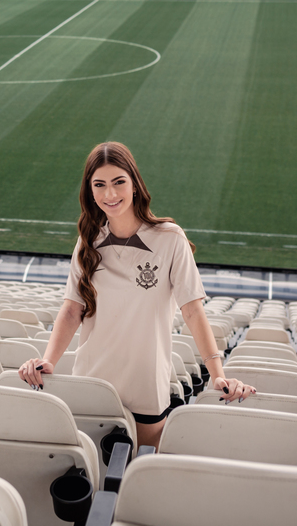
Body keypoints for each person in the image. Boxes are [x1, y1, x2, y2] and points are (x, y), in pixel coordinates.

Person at [18, 142, 256, 449]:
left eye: (119, 182)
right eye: (99, 185)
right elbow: (72, 309)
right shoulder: (88, 242)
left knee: (137, 473)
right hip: (91, 382)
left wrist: (217, 374)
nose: (110, 194)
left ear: (135, 184)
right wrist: (48, 361)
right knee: (93, 472)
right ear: (90, 191)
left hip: (146, 386)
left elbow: (193, 311)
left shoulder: (170, 239)